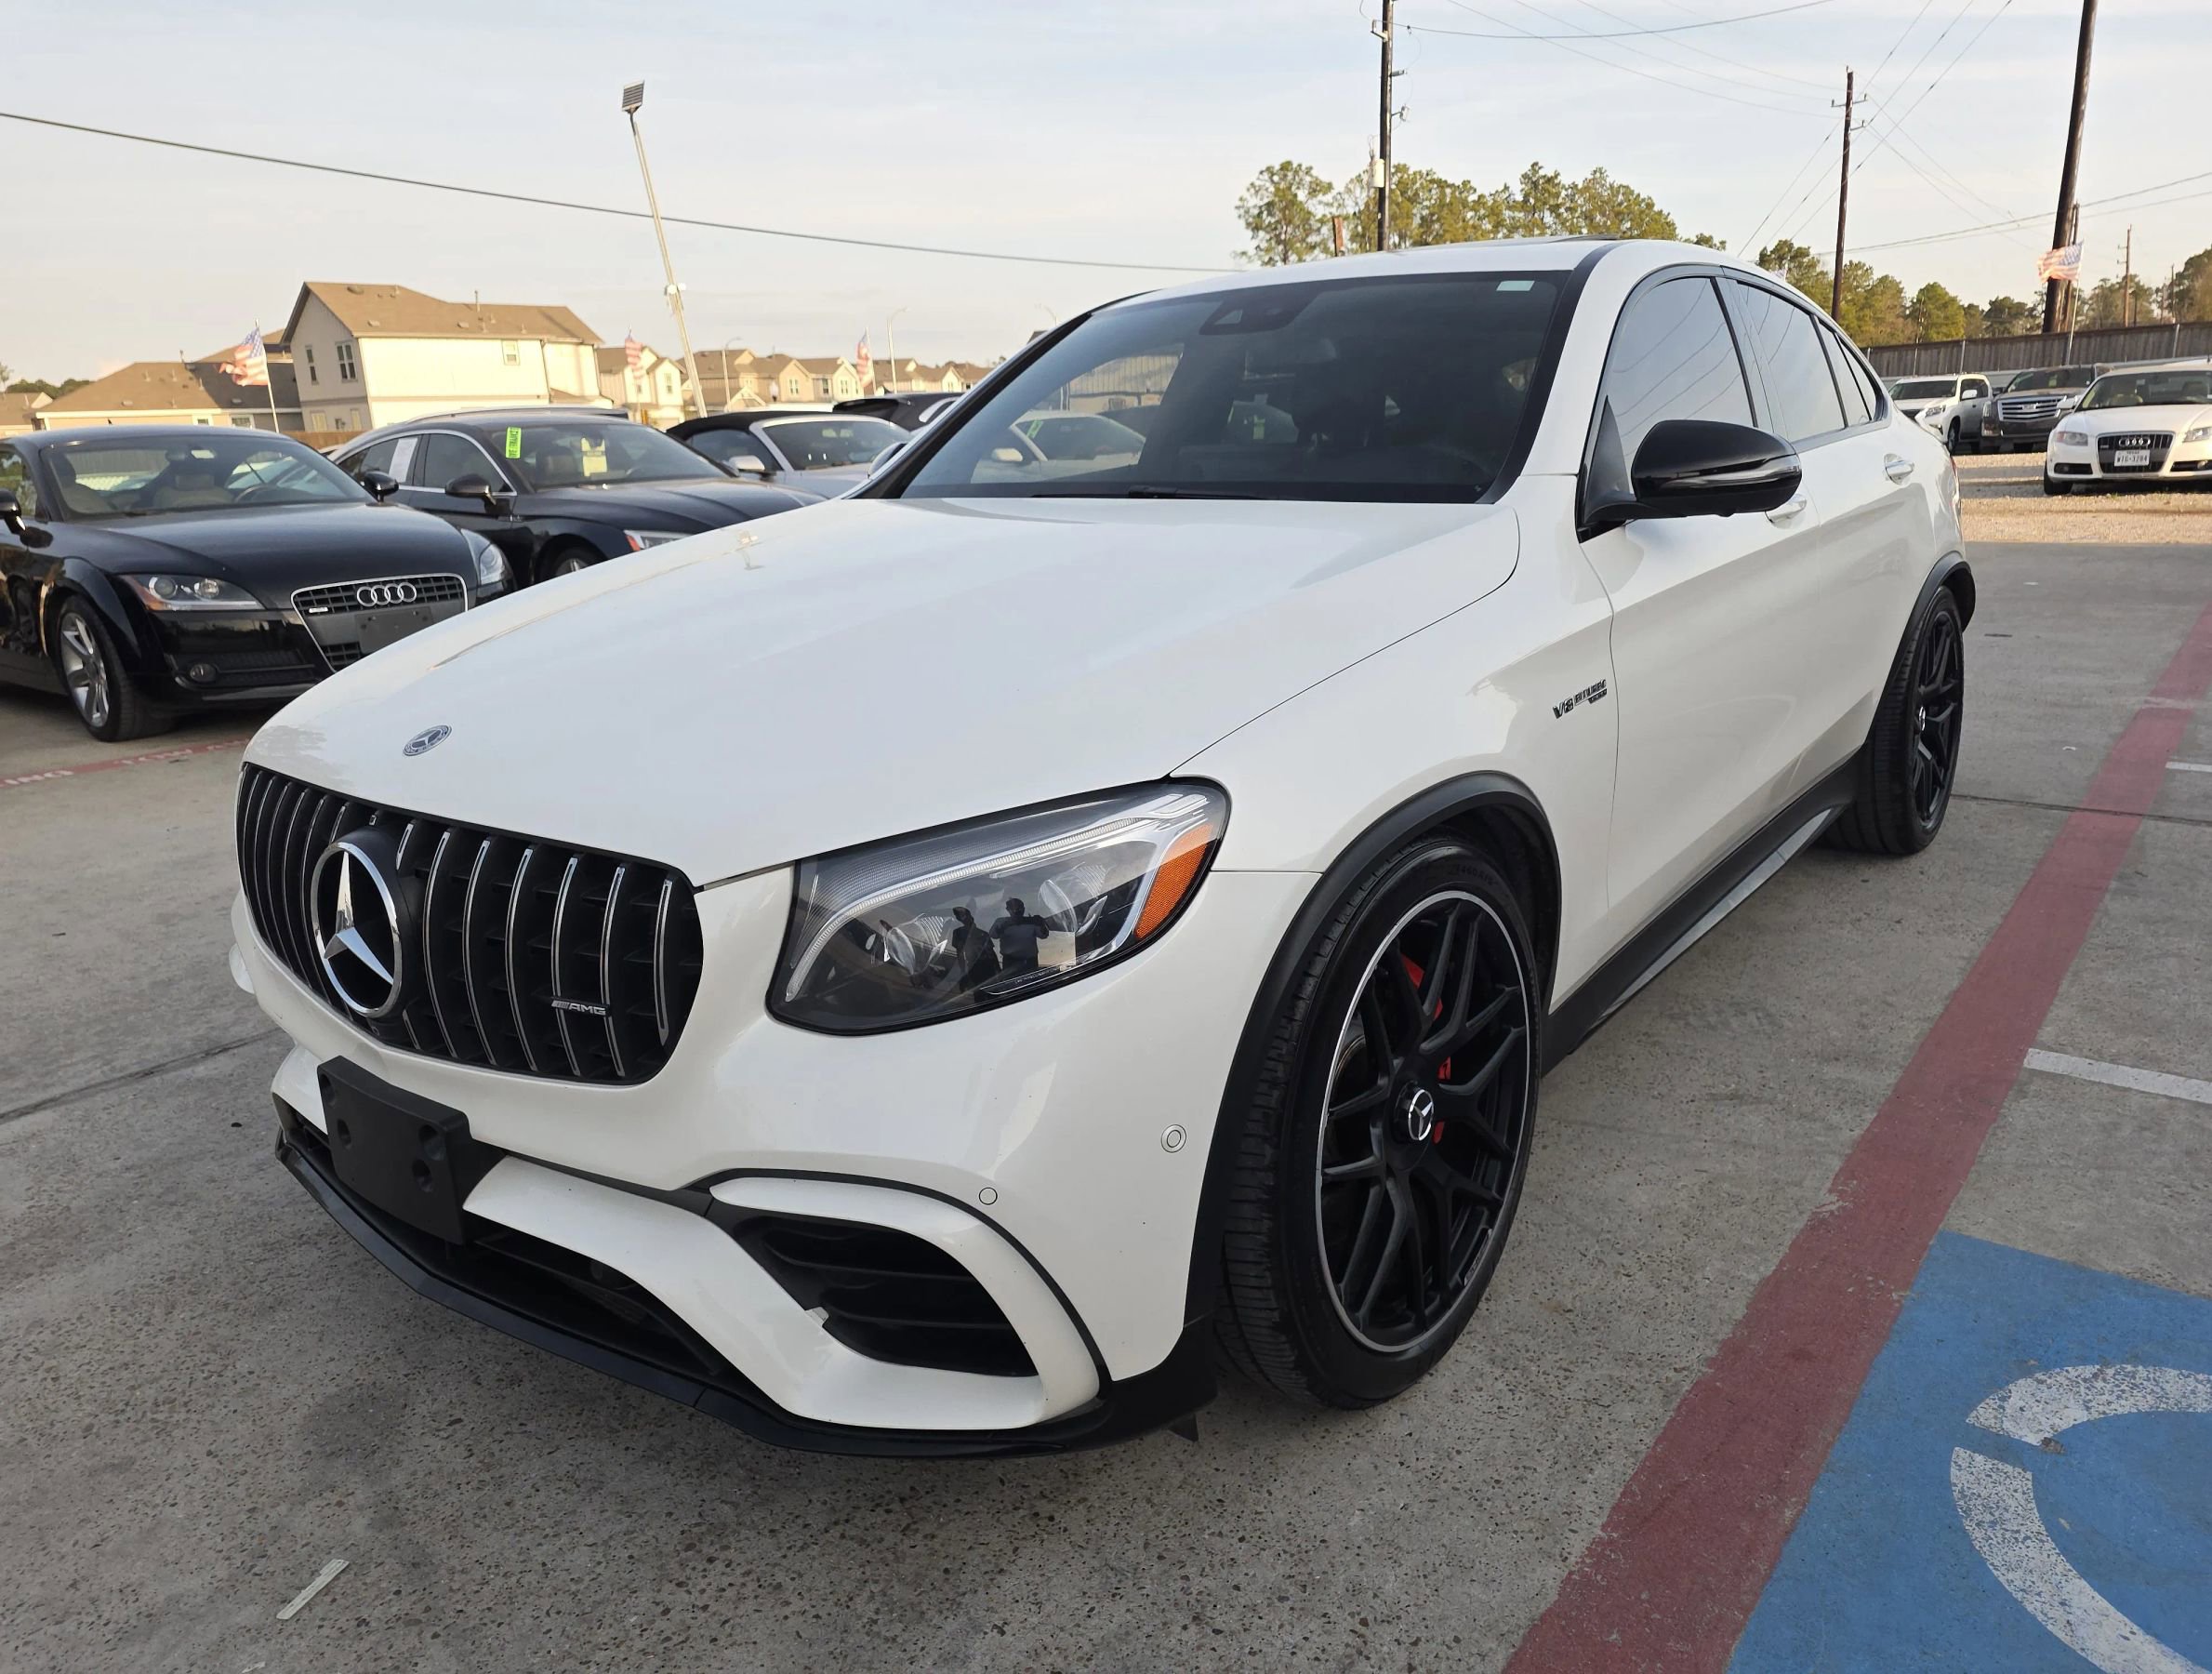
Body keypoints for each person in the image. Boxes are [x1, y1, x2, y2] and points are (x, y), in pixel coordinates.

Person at [989, 897, 1053, 977]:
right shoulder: (1001, 922)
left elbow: (1043, 935)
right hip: (1010, 962)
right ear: (1008, 910)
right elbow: (993, 935)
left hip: (1030, 961)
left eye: (1019, 908)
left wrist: (1041, 924)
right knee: (1011, 986)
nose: (1017, 911)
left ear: (1023, 909)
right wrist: (1002, 927)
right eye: (1013, 909)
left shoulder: (1032, 921)